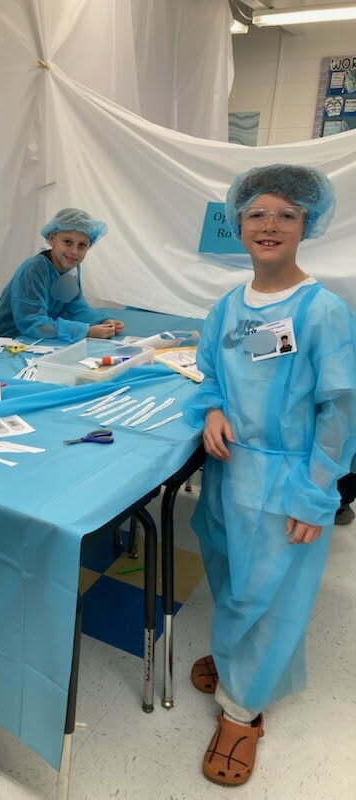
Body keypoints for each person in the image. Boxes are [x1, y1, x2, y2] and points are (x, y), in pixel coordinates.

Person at [185, 164, 356, 786]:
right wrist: (212, 410)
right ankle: (237, 661)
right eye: (257, 213)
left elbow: (338, 411)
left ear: (307, 224)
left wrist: (316, 496)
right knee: (232, 581)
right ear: (237, 224)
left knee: (271, 597)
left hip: (288, 481)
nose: (270, 225)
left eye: (286, 214)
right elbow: (211, 371)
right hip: (230, 477)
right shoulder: (230, 306)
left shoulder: (323, 311)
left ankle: (241, 713)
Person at [0, 207, 124, 341]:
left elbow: (76, 307)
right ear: (51, 239)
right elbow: (32, 322)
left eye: (82, 245)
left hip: (46, 336)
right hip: (12, 340)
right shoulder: (34, 269)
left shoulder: (72, 268)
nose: (74, 252)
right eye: (67, 242)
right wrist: (86, 331)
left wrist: (102, 322)